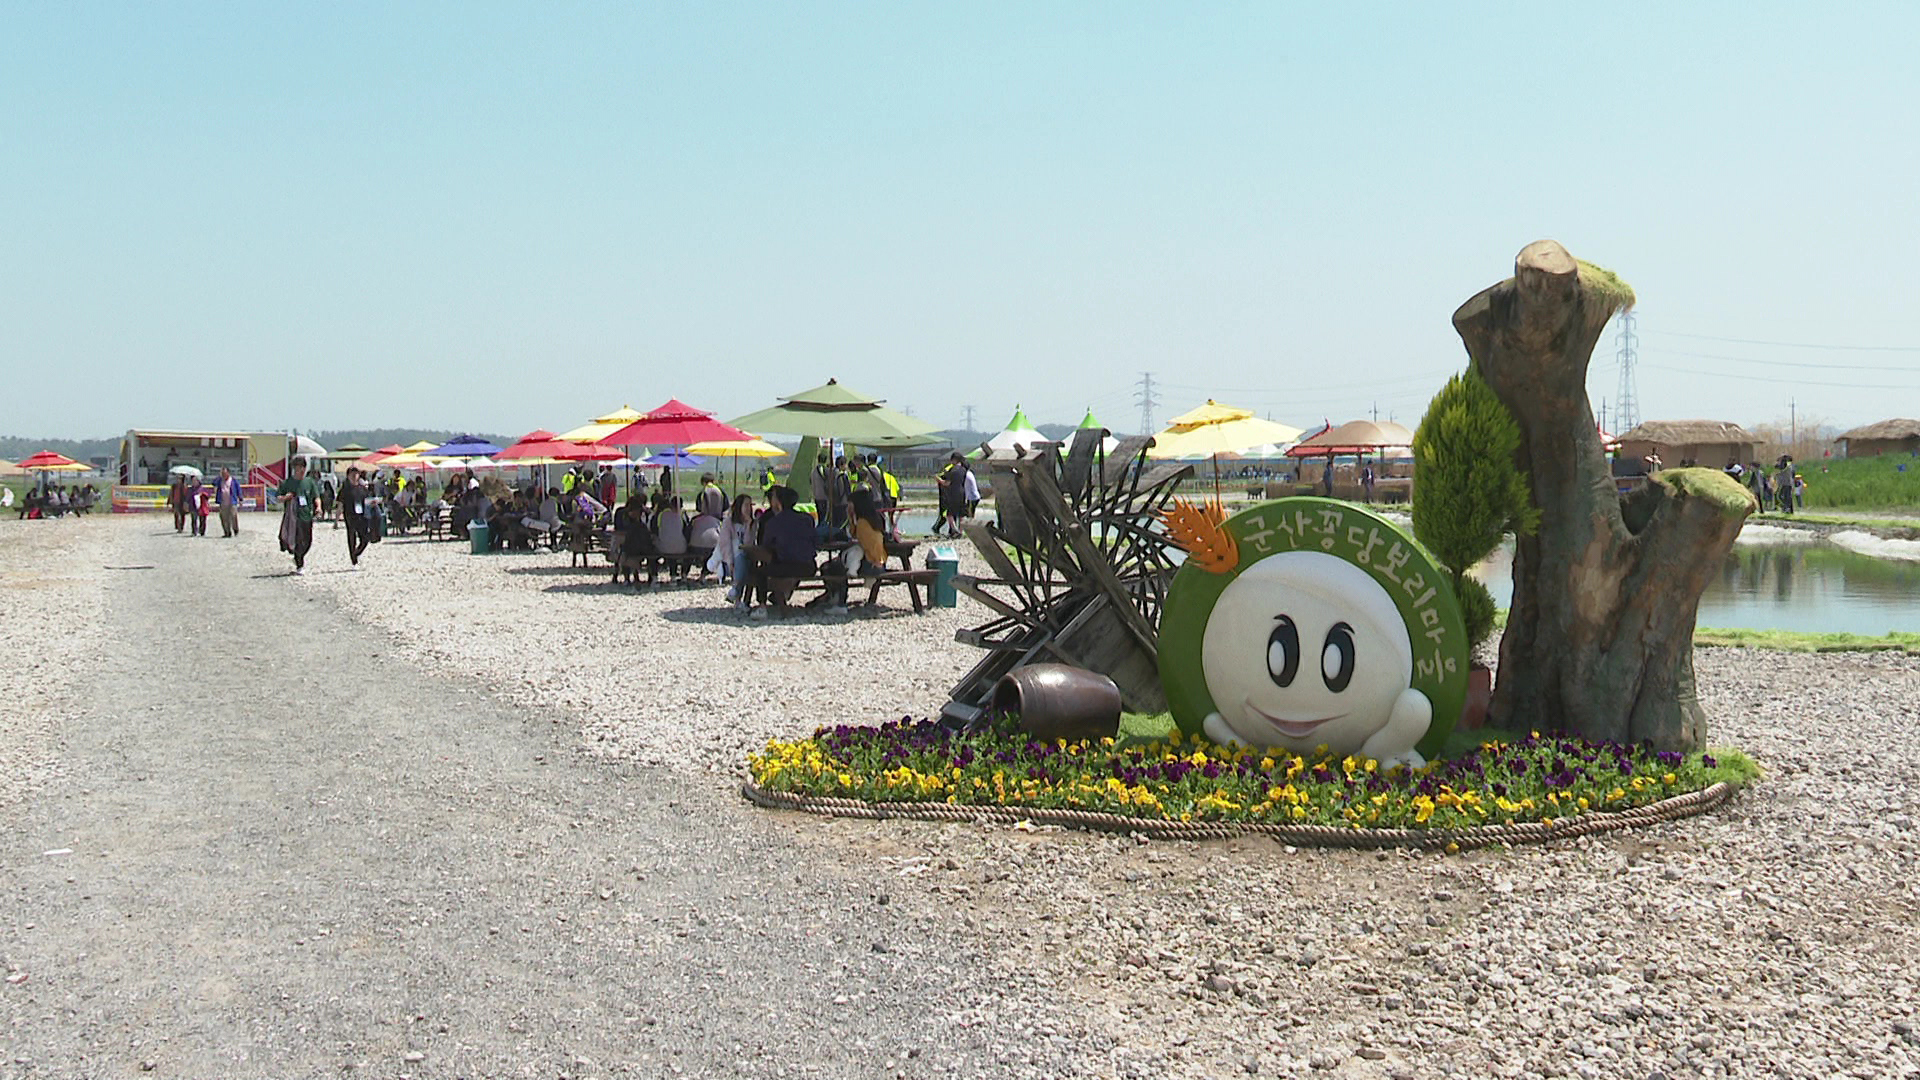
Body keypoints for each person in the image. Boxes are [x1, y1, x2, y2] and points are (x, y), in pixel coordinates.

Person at [750, 485, 817, 619]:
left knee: (759, 572)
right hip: (809, 567)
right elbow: (815, 540)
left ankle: (762, 606)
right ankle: (781, 595)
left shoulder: (773, 522)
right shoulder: (807, 519)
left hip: (786, 566)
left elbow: (765, 544)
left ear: (779, 502)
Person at [275, 456, 321, 574]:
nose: (300, 470)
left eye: (302, 467)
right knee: (297, 540)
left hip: (307, 515)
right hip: (293, 517)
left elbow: (316, 496)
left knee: (308, 541)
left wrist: (318, 507)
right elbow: (278, 498)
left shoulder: (309, 482)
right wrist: (285, 497)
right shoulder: (287, 483)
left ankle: (298, 557)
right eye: (297, 467)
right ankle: (300, 564)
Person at [715, 493, 756, 609]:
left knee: (744, 558)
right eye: (746, 505)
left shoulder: (752, 523)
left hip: (746, 557)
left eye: (750, 505)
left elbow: (748, 543)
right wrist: (730, 561)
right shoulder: (729, 522)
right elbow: (725, 543)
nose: (748, 508)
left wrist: (748, 525)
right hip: (730, 557)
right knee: (740, 558)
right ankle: (737, 596)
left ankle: (735, 593)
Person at [652, 495, 691, 584]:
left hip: (663, 547)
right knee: (685, 548)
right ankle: (681, 575)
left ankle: (654, 577)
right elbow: (687, 531)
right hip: (681, 547)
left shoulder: (661, 515)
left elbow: (654, 530)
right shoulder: (682, 515)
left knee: (652, 549)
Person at [341, 466, 374, 566]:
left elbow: (367, 501)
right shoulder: (345, 489)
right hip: (350, 515)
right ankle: (353, 559)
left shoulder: (362, 488)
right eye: (352, 474)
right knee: (352, 537)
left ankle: (356, 552)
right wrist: (336, 520)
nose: (354, 476)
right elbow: (340, 504)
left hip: (361, 516)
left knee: (365, 538)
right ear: (348, 476)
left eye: (356, 474)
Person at [215, 466, 242, 537]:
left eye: (224, 473)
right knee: (224, 518)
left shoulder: (233, 481)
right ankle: (227, 532)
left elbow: (238, 490)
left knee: (233, 516)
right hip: (223, 502)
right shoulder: (220, 481)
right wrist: (219, 476)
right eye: (222, 473)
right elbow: (213, 483)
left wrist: (240, 499)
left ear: (228, 473)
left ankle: (235, 529)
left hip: (232, 502)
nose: (223, 475)